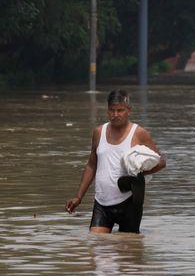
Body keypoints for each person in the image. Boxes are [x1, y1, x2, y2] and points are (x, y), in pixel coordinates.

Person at [65, 90, 166, 233]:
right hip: (102, 201)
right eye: (112, 110)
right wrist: (78, 197)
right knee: (97, 244)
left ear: (128, 110)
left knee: (128, 248)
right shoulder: (99, 132)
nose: (116, 114)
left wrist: (139, 173)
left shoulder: (139, 133)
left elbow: (161, 162)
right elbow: (91, 165)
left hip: (129, 202)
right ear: (107, 111)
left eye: (120, 110)